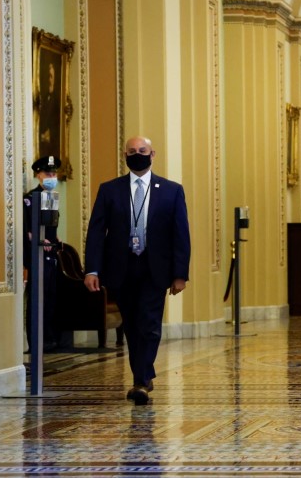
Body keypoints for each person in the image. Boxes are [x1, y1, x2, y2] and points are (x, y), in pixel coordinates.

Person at [84, 136, 191, 405]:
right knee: (132, 325)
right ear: (125, 156)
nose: (137, 154)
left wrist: (180, 274)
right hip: (121, 268)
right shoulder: (110, 190)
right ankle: (144, 373)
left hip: (155, 268)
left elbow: (181, 234)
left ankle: (141, 382)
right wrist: (92, 270)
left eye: (142, 151)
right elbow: (96, 232)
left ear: (152, 154)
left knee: (150, 323)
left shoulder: (171, 190)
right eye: (131, 151)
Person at [23, 155, 63, 352]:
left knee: (50, 297)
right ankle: (35, 341)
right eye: (48, 173)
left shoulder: (52, 197)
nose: (52, 176)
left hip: (50, 256)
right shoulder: (30, 199)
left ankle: (49, 338)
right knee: (37, 299)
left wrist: (54, 240)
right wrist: (39, 239)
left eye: (54, 173)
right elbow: (28, 229)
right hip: (36, 256)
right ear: (38, 175)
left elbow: (51, 226)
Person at [38, 60, 60, 158]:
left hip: (52, 147)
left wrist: (49, 134)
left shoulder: (56, 99)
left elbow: (58, 122)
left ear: (54, 79)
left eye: (51, 77)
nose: (49, 80)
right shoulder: (43, 98)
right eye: (48, 76)